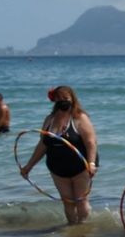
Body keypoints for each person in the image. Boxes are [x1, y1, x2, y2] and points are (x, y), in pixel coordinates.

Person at [18, 85, 98, 224]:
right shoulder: (49, 119)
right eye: (59, 98)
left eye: (65, 98)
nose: (62, 101)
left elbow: (91, 142)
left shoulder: (80, 118)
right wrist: (28, 166)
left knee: (81, 200)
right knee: (67, 201)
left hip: (81, 166)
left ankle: (84, 229)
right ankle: (72, 227)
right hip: (57, 168)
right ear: (54, 100)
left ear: (72, 99)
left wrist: (91, 163)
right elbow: (42, 145)